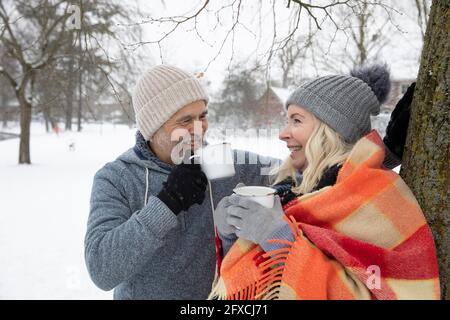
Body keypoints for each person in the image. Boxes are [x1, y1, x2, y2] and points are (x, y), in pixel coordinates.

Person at [211, 64, 440, 300]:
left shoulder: (374, 199)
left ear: (329, 130)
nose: (282, 133)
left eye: (296, 121)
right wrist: (232, 235)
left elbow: (374, 294)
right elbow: (255, 279)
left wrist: (280, 239)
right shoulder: (295, 190)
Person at [84, 65, 273, 299]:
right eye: (185, 120)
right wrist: (168, 202)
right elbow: (102, 269)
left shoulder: (220, 163)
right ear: (154, 128)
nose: (199, 128)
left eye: (202, 116)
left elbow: (291, 171)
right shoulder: (117, 178)